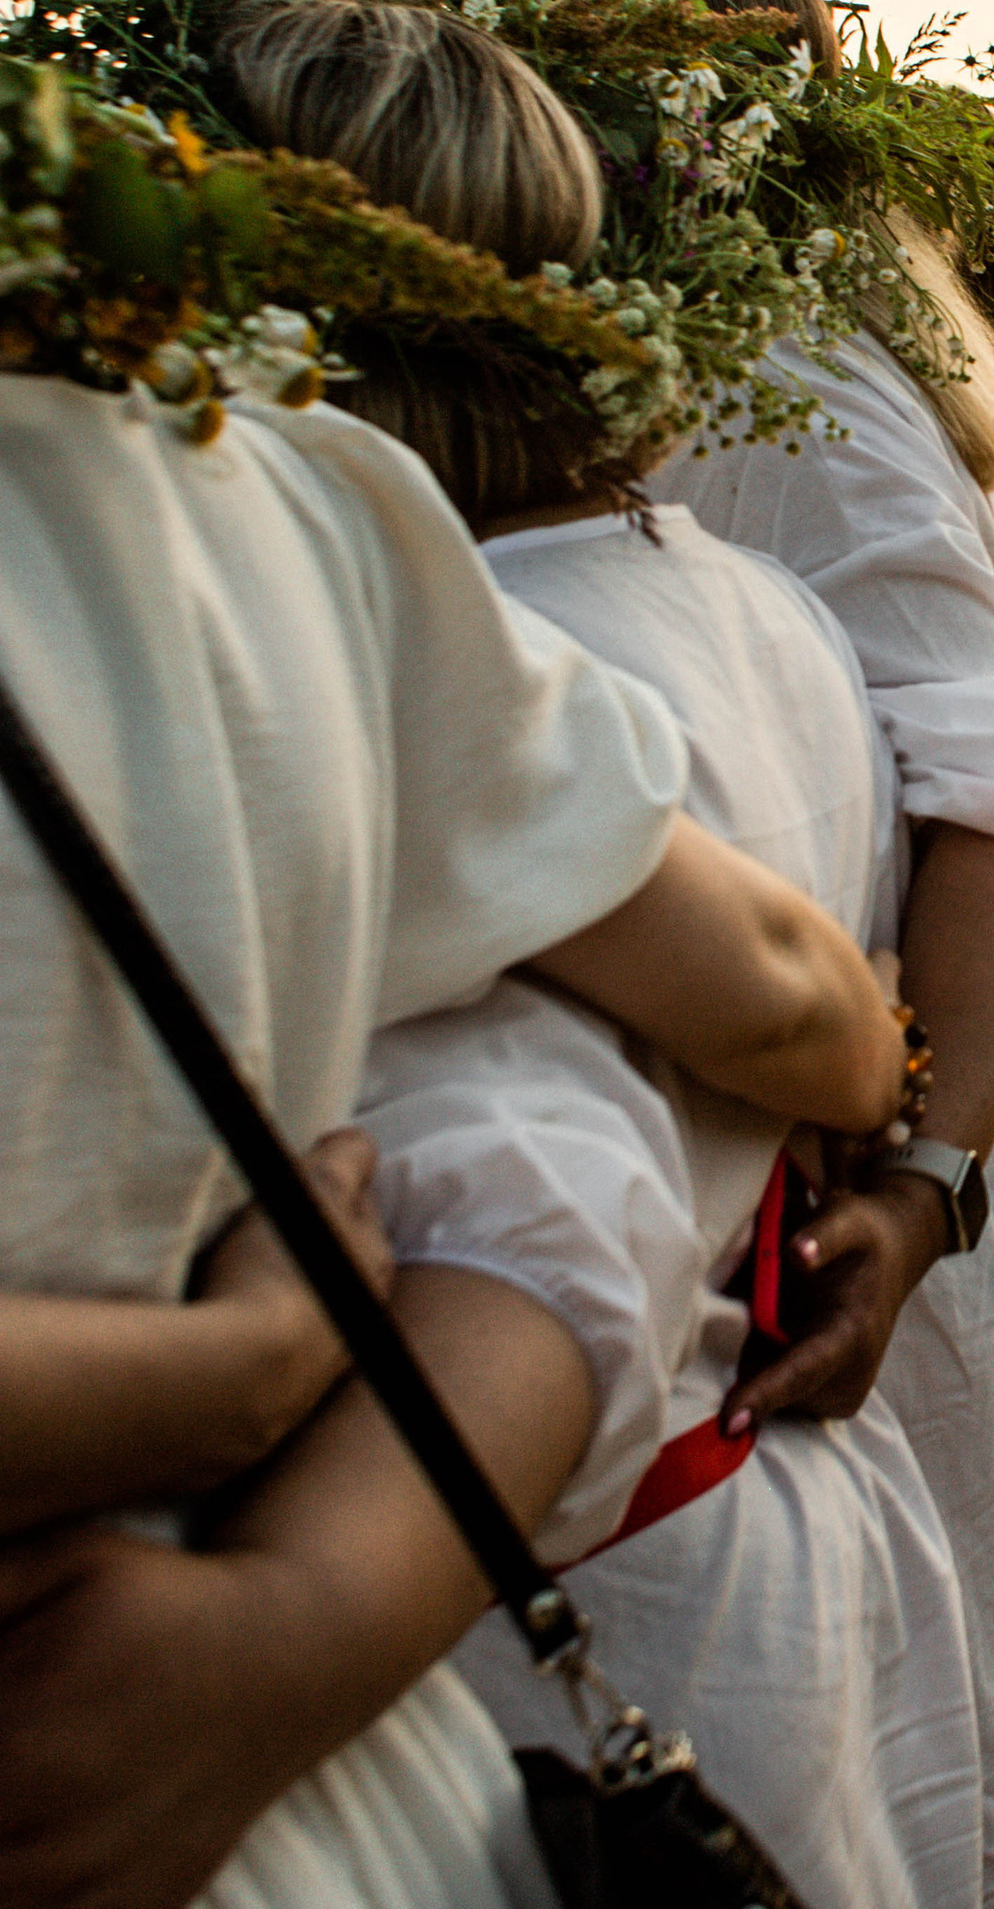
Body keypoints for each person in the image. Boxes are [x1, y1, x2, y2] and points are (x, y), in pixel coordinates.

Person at [0, 232, 902, 1906]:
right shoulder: (259, 518)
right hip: (354, 1674)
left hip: (269, 1688)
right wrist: (231, 1372)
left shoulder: (259, 523)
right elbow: (676, 1073)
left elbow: (569, 1126)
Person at [219, 0, 979, 1909]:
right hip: (794, 1504)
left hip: (554, 1586)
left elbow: (535, 1185)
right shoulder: (761, 604)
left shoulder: (441, 673)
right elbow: (831, 1017)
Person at [589, 0, 994, 1909]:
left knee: (943, 1771)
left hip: (877, 1169)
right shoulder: (826, 319)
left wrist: (915, 1186)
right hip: (894, 1129)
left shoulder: (803, 364)